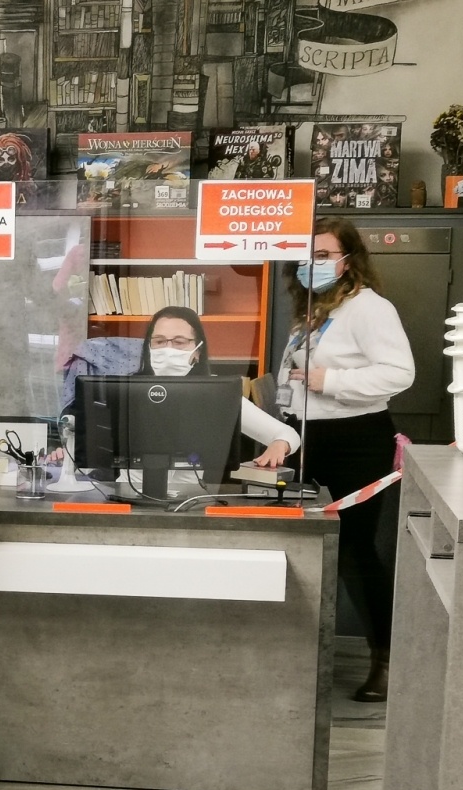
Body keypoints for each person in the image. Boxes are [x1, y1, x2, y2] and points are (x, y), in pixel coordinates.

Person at [279, 217, 414, 702]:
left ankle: (386, 660)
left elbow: (400, 373)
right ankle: (296, 654)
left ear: (347, 259)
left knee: (358, 553)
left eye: (322, 254)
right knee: (298, 545)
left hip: (356, 439)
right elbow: (304, 378)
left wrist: (329, 382)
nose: (311, 264)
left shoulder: (369, 308)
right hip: (308, 436)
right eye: (304, 255)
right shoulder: (313, 309)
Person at [138, 305, 299, 469]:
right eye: (159, 341)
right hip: (129, 490)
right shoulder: (125, 390)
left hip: (196, 492)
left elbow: (289, 434)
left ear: (197, 351)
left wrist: (279, 444)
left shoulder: (219, 391)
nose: (168, 350)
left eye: (179, 342)